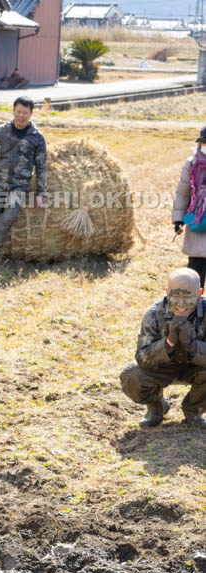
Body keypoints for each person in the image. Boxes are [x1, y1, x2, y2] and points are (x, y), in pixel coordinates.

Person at [120, 267, 206, 429]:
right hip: (162, 367)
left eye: (187, 297)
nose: (181, 304)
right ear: (167, 292)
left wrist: (192, 346)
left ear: (200, 293)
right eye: (175, 296)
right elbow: (142, 358)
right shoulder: (153, 314)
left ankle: (194, 410)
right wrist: (169, 343)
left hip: (197, 368)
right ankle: (156, 406)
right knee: (131, 375)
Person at [0, 96, 47, 267]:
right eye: (18, 112)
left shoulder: (37, 137)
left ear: (31, 114)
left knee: (9, 216)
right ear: (13, 111)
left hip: (19, 185)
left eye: (25, 113)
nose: (21, 116)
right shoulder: (1, 131)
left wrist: (41, 193)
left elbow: (41, 167)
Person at [172, 125, 206, 289]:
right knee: (195, 274)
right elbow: (183, 193)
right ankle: (194, 308)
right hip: (198, 224)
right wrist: (178, 219)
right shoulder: (192, 164)